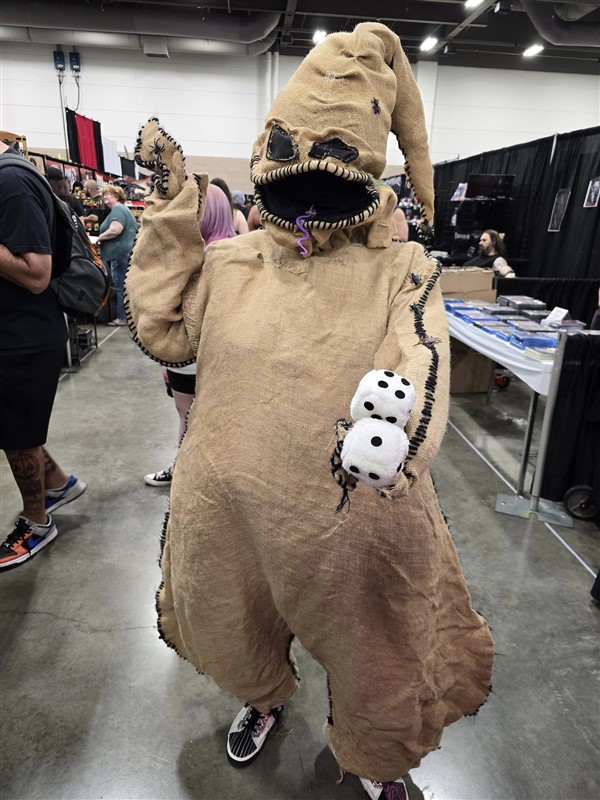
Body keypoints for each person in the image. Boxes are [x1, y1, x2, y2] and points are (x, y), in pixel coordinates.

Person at [127, 23, 493, 800]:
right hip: (230, 508)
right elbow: (166, 331)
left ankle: (374, 757)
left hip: (351, 513)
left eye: (332, 152)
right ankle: (264, 698)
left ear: (366, 164)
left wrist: (396, 433)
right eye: (287, 148)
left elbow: (419, 353)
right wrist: (170, 210)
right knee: (235, 623)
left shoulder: (401, 267)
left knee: (378, 655)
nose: (307, 174)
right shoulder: (231, 263)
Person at [0, 141, 86, 569]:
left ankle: (36, 522)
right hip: (21, 335)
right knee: (18, 430)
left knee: (18, 437)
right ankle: (57, 483)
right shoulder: (14, 175)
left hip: (23, 339)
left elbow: (37, 273)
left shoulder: (10, 181)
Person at [144, 182, 236, 487]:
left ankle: (183, 471)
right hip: (216, 355)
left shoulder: (202, 257)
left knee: (187, 415)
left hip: (191, 356)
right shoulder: (234, 251)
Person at [96, 185, 137, 326]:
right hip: (124, 253)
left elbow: (115, 230)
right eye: (104, 194)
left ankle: (122, 317)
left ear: (116, 196)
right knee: (123, 286)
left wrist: (99, 238)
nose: (104, 197)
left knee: (120, 287)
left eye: (108, 194)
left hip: (118, 254)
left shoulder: (118, 210)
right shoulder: (123, 210)